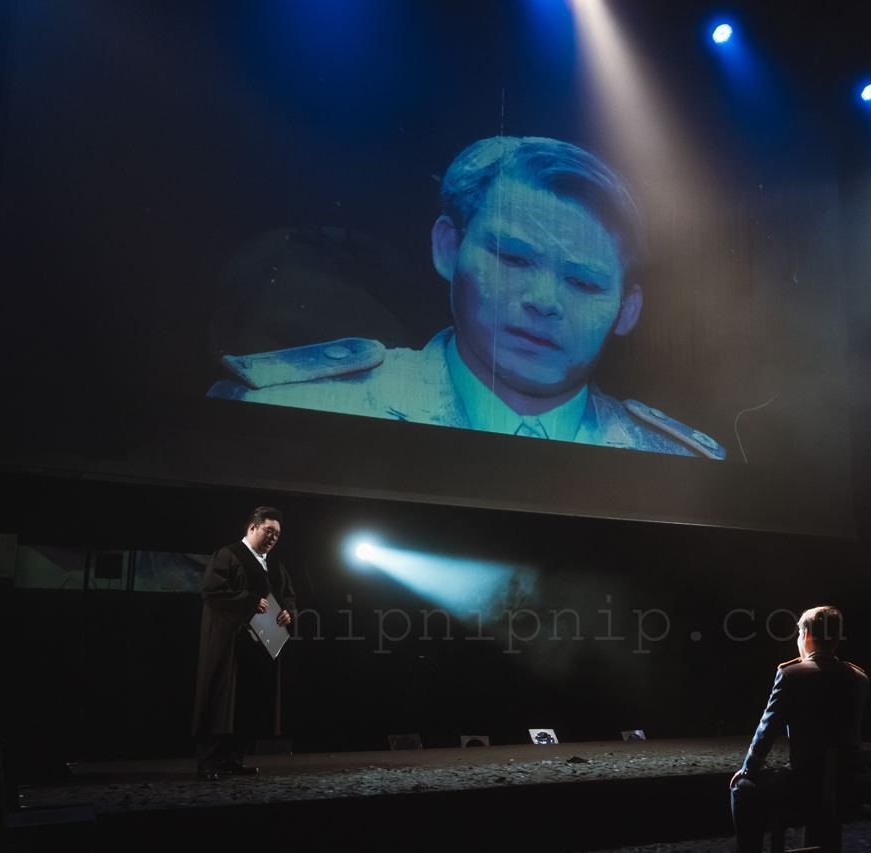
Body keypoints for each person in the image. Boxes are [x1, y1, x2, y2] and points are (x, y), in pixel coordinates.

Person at [207, 135, 725, 460]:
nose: (544, 301)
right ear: (447, 248)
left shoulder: (679, 463)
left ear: (627, 310)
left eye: (584, 282)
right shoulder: (289, 408)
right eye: (513, 258)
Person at [729, 606, 868, 853]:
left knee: (742, 790)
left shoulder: (792, 675)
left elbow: (767, 729)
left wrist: (748, 769)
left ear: (807, 635)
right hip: (849, 789)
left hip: (805, 790)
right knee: (821, 782)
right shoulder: (859, 678)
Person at [192, 506, 296, 781]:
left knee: (248, 704)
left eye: (277, 534)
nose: (273, 537)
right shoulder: (228, 555)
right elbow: (212, 591)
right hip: (228, 644)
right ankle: (209, 762)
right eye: (268, 531)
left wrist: (288, 612)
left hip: (259, 646)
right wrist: (250, 600)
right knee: (221, 702)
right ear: (252, 527)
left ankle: (234, 759)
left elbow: (288, 596)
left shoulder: (275, 566)